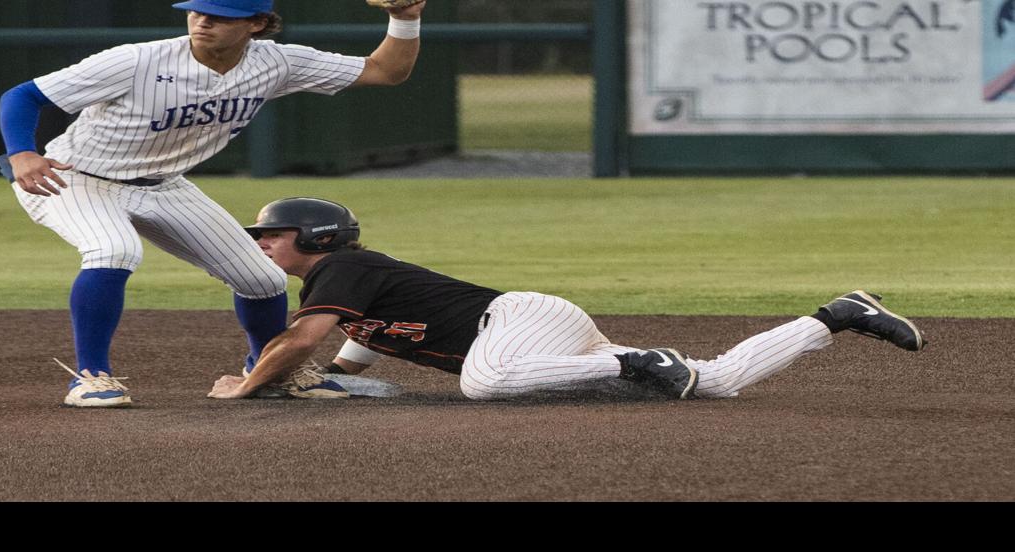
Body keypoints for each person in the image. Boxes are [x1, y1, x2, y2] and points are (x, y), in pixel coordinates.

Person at [0, 0, 428, 407]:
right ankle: (90, 376)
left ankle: (271, 370)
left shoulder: (274, 62)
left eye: (220, 16)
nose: (203, 22)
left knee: (262, 278)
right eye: (197, 12)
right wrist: (21, 153)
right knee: (114, 250)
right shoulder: (137, 60)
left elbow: (384, 71)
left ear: (256, 23)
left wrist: (405, 17)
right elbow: (22, 96)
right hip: (76, 178)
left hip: (166, 185)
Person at [207, 197, 927, 401]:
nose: (263, 243)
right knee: (714, 380)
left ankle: (632, 361)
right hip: (536, 335)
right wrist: (302, 385)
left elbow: (299, 341)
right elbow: (345, 359)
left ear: (320, 237)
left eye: (273, 234)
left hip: (521, 320)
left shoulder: (344, 270)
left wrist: (248, 383)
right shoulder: (355, 291)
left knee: (482, 383)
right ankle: (836, 314)